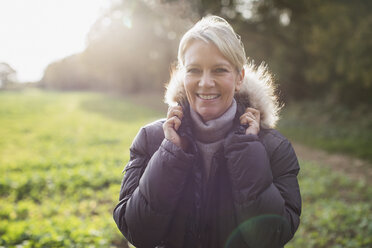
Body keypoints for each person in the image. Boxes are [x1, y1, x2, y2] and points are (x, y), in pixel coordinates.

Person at [113, 15, 301, 248]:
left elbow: (272, 237)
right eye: (194, 70)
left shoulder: (274, 148)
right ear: (184, 76)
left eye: (219, 70)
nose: (205, 82)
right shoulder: (151, 139)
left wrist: (247, 152)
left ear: (239, 77)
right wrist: (170, 153)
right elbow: (137, 231)